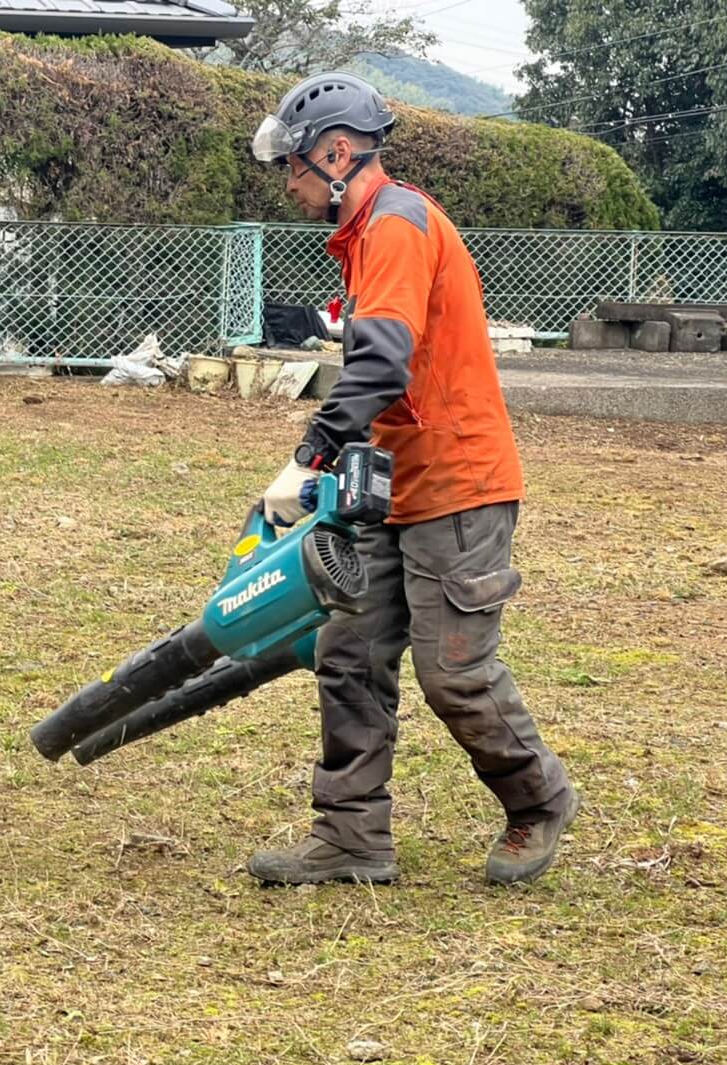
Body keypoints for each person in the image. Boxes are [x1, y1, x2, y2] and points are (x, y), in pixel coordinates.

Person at [245, 72, 579, 887]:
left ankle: (538, 799)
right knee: (349, 652)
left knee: (453, 669)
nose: (288, 184)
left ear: (336, 153)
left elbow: (382, 365)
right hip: (393, 481)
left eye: (293, 166)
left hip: (459, 482)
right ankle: (352, 837)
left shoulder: (394, 225)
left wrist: (308, 455)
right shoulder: (368, 231)